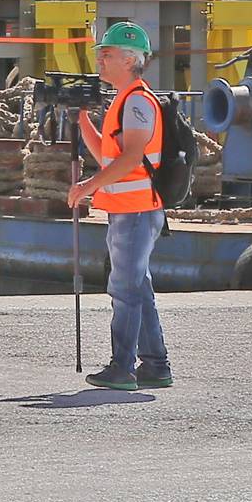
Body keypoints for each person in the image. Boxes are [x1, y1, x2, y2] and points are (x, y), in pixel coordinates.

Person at [68, 20, 172, 390]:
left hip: (137, 210)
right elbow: (107, 157)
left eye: (107, 54)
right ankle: (156, 365)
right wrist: (82, 120)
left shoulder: (138, 101)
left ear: (129, 60)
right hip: (128, 209)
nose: (99, 59)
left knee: (124, 288)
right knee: (137, 286)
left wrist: (87, 186)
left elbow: (130, 159)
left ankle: (122, 367)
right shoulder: (123, 101)